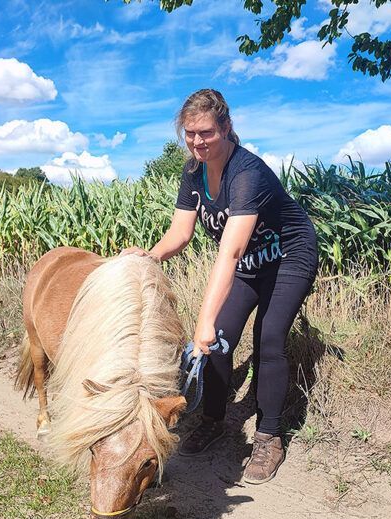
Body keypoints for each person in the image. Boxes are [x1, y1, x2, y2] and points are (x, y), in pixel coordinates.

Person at [123, 88, 318, 484]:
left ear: (226, 127)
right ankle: (213, 420)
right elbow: (180, 231)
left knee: (269, 338)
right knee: (219, 342)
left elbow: (228, 253)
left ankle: (269, 437)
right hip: (249, 264)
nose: (198, 141)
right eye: (191, 133)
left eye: (207, 132)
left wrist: (203, 320)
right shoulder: (193, 173)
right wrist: (149, 256)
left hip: (288, 258)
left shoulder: (247, 173)